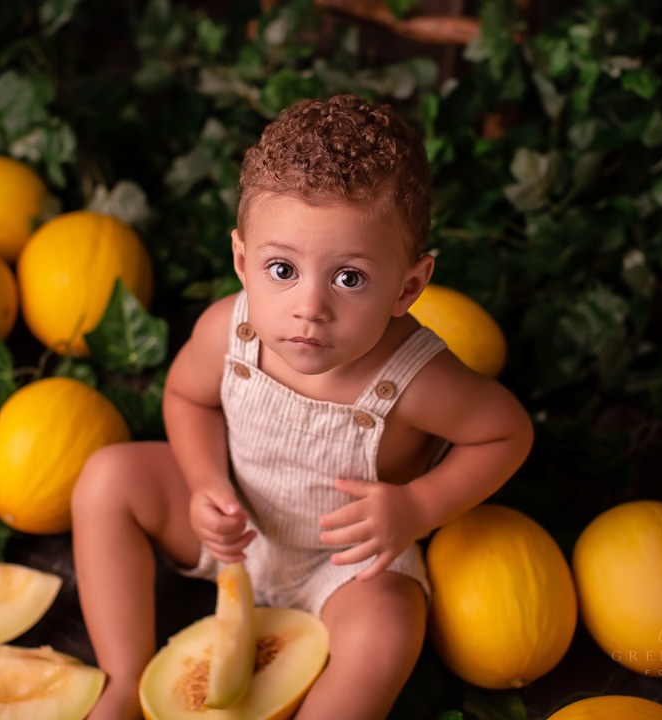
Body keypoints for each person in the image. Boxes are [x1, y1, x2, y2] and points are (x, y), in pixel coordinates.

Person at [71, 93, 534, 720]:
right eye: (283, 269)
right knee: (106, 478)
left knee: (387, 630)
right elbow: (186, 398)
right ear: (243, 261)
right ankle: (125, 677)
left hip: (344, 563)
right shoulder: (228, 332)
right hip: (239, 522)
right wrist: (205, 483)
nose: (309, 308)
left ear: (408, 286)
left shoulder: (416, 378)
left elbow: (506, 433)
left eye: (349, 278)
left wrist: (418, 508)